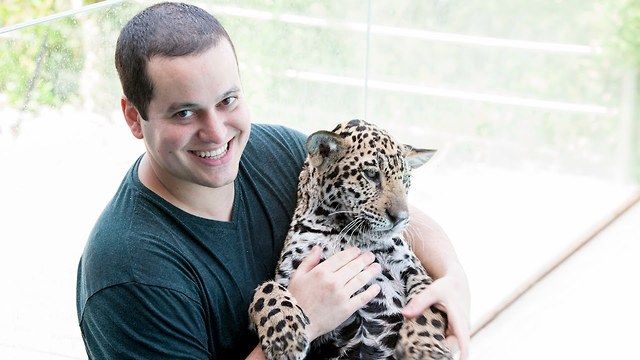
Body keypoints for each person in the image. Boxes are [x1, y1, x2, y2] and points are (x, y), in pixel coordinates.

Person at [75, 2, 471, 359]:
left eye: (227, 100)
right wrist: (307, 318)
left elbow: (399, 214)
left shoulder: (277, 149)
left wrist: (453, 278)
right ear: (133, 118)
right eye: (184, 113)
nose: (216, 134)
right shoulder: (127, 272)